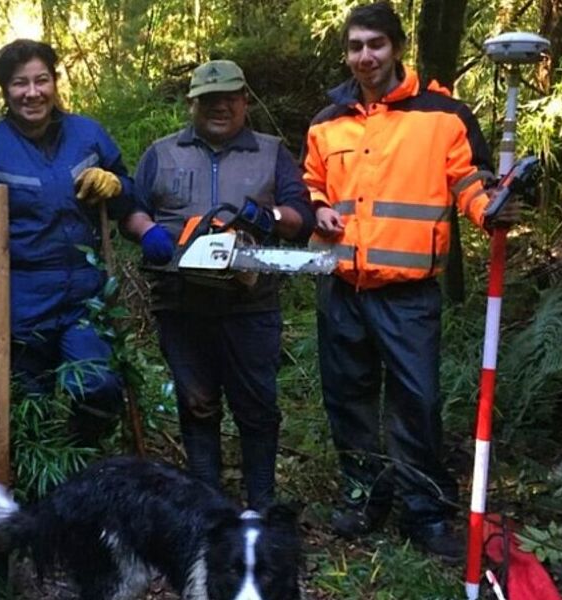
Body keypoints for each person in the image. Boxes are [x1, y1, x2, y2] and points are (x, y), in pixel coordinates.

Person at [302, 1, 519, 562]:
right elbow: (311, 184)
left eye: (375, 44)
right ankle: (364, 497)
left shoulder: (443, 115)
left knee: (415, 402)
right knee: (348, 400)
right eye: (355, 47)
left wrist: (488, 210)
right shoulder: (327, 121)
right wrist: (319, 206)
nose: (365, 56)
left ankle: (424, 512)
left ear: (397, 47)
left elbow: (470, 180)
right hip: (342, 286)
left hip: (408, 292)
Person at [122, 60, 315, 510]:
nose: (219, 107)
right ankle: (208, 506)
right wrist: (146, 230)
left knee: (257, 406)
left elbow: (301, 217)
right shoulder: (162, 152)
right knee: (197, 402)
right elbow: (130, 208)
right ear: (192, 103)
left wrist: (269, 217)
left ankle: (261, 506)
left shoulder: (271, 152)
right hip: (181, 303)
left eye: (229, 97)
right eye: (208, 99)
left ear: (245, 99)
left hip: (251, 304)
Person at [0, 39, 134, 445]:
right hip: (22, 300)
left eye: (41, 80)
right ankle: (35, 492)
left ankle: (78, 457)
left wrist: (117, 185)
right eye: (19, 84)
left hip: (83, 299)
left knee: (101, 387)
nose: (32, 93)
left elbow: (131, 196)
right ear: (5, 90)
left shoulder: (87, 134)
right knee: (29, 409)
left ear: (55, 82)